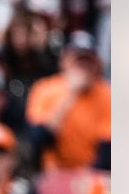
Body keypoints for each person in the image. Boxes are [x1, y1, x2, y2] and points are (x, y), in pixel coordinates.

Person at [26, 31, 110, 171]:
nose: (83, 68)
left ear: (97, 64)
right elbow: (38, 140)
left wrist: (85, 178)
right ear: (64, 61)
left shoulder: (107, 94)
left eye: (88, 61)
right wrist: (71, 95)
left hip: (91, 174)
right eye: (78, 61)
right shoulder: (44, 89)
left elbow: (108, 150)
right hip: (53, 172)